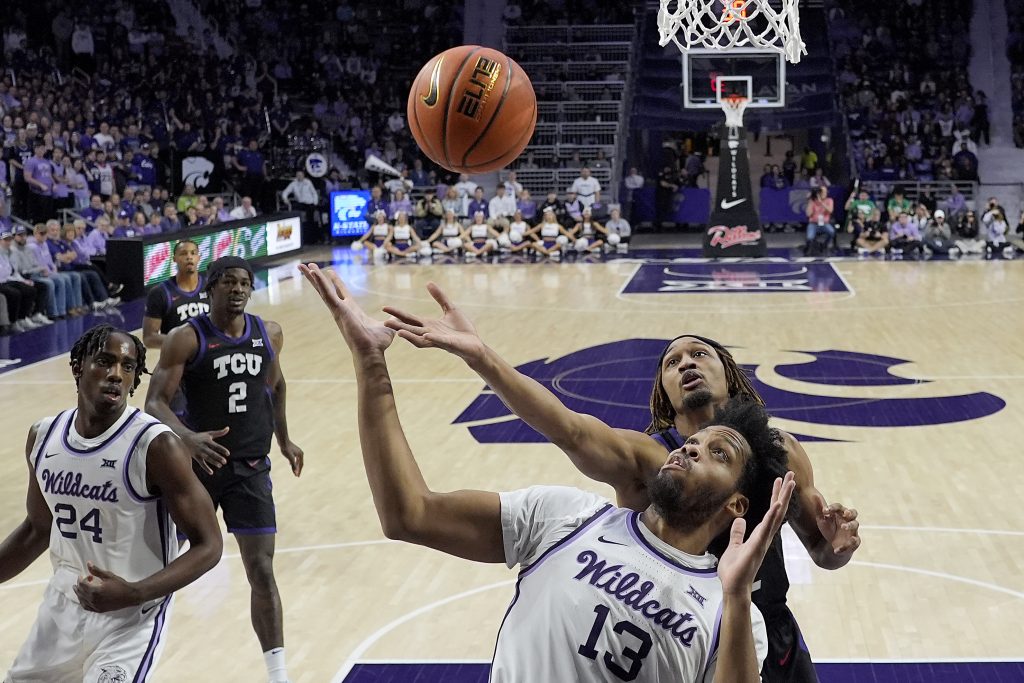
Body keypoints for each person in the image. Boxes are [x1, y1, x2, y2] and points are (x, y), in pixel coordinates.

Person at [298, 263, 799, 682]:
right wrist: (371, 365)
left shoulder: (731, 614)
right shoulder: (565, 516)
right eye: (691, 442)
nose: (689, 451)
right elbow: (409, 513)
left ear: (738, 503)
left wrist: (738, 595)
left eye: (718, 454)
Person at [381, 293, 863, 683]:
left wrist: (836, 546)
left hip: (763, 629)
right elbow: (569, 428)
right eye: (672, 362)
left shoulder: (781, 451)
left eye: (699, 353)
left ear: (729, 372)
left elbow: (823, 550)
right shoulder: (653, 459)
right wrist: (483, 358)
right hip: (669, 639)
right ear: (664, 391)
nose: (685, 363)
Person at [0, 324, 222, 681]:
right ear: (77, 367)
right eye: (105, 362)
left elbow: (209, 545)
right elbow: (37, 530)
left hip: (131, 617)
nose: (117, 374)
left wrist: (134, 593)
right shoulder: (43, 437)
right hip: (62, 609)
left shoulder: (155, 446)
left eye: (128, 366)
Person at [145, 256, 304, 683]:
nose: (237, 289)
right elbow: (155, 402)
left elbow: (278, 385)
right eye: (229, 282)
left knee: (263, 571)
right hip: (197, 469)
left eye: (244, 283)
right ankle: (127, 650)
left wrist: (284, 440)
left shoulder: (268, 333)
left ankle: (278, 674)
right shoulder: (185, 338)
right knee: (156, 563)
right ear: (210, 288)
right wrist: (186, 438)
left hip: (250, 469)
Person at [143, 239, 209, 350]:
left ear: (198, 257)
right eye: (183, 253)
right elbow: (149, 339)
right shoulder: (160, 293)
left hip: (207, 357)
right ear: (174, 259)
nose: (189, 257)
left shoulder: (212, 287)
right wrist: (185, 342)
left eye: (193, 253)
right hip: (177, 360)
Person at [280, 170, 320, 244]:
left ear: (303, 175)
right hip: (301, 203)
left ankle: (311, 239)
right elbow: (285, 192)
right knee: (293, 211)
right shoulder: (293, 184)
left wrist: (315, 203)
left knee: (310, 216)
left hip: (310, 203)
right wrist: (285, 199)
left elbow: (314, 193)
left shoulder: (308, 182)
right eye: (298, 175)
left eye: (301, 175)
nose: (299, 176)